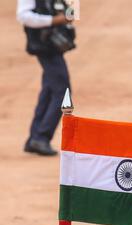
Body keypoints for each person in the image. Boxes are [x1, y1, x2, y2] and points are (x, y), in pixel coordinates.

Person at [17, 0, 75, 156]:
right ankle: (41, 137)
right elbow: (23, 16)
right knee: (63, 92)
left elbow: (71, 11)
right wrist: (54, 20)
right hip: (44, 45)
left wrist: (68, 14)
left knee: (49, 91)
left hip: (55, 44)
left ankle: (35, 138)